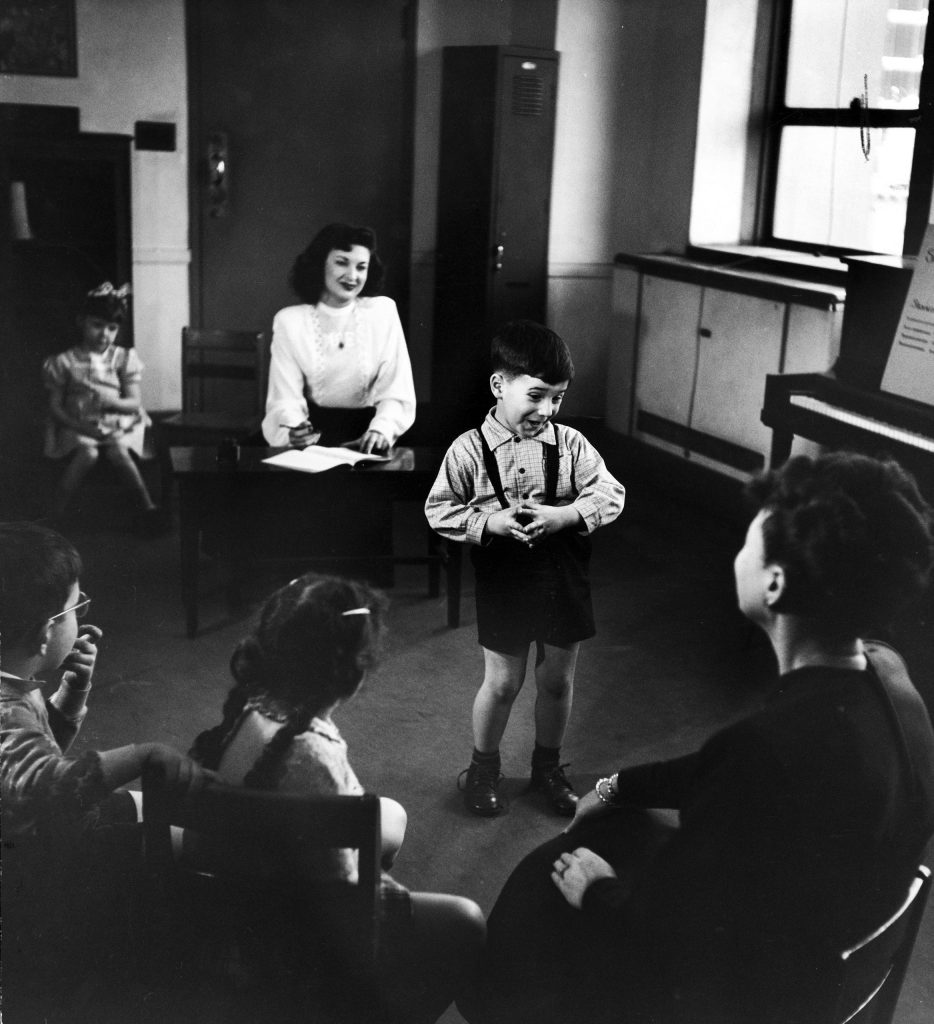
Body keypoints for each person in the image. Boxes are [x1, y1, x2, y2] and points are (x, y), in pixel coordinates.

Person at [457, 451, 934, 1024]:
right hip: (815, 941)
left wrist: (599, 891)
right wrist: (619, 785)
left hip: (738, 994)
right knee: (625, 823)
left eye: (748, 544)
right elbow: (733, 770)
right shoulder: (887, 675)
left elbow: (669, 945)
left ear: (775, 584)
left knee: (542, 892)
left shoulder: (763, 750)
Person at [189, 572, 486, 1024]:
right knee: (464, 920)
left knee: (391, 816)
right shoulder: (311, 751)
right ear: (353, 673)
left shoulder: (252, 704)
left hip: (237, 881)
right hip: (297, 917)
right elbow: (343, 879)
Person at [0, 522, 210, 1006]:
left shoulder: (13, 689)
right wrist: (143, 754)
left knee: (151, 811)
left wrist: (71, 693)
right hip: (39, 866)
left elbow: (27, 760)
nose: (83, 614)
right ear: (47, 630)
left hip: (35, 830)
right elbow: (52, 785)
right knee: (178, 850)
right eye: (78, 606)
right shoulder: (7, 709)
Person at [425, 321, 625, 817]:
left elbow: (610, 493)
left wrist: (565, 515)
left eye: (557, 398)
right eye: (536, 396)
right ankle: (484, 767)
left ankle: (547, 768)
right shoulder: (468, 450)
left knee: (557, 679)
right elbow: (438, 510)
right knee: (503, 683)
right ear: (499, 386)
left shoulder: (572, 444)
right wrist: (490, 520)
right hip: (506, 578)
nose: (547, 410)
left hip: (563, 576)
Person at [261, 223, 416, 454]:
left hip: (371, 436)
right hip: (313, 439)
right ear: (320, 263)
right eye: (341, 262)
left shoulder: (382, 313)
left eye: (361, 267)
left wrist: (381, 430)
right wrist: (295, 431)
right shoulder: (290, 322)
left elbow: (397, 390)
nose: (352, 276)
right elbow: (284, 398)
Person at [42, 282, 161, 530]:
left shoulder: (122, 358)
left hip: (117, 423)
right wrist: (81, 428)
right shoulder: (65, 362)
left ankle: (147, 508)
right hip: (78, 424)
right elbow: (55, 408)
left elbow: (133, 403)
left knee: (118, 449)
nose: (104, 335)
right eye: (97, 325)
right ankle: (57, 513)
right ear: (81, 322)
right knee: (88, 451)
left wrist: (112, 402)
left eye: (112, 328)